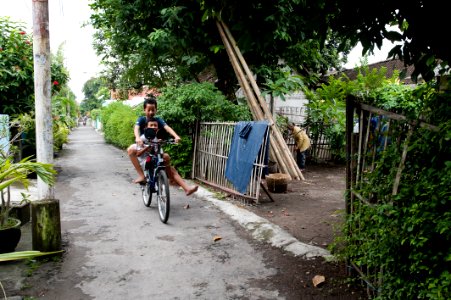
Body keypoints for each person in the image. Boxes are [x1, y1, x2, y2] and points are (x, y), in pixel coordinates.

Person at [127, 96, 198, 196]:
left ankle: (185, 187)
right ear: (144, 110)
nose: (151, 112)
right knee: (130, 150)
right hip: (144, 147)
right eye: (149, 110)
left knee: (167, 160)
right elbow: (136, 128)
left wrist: (176, 136)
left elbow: (167, 127)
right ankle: (142, 175)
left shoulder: (158, 120)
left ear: (156, 110)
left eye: (153, 110)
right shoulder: (142, 120)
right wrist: (138, 138)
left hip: (156, 148)